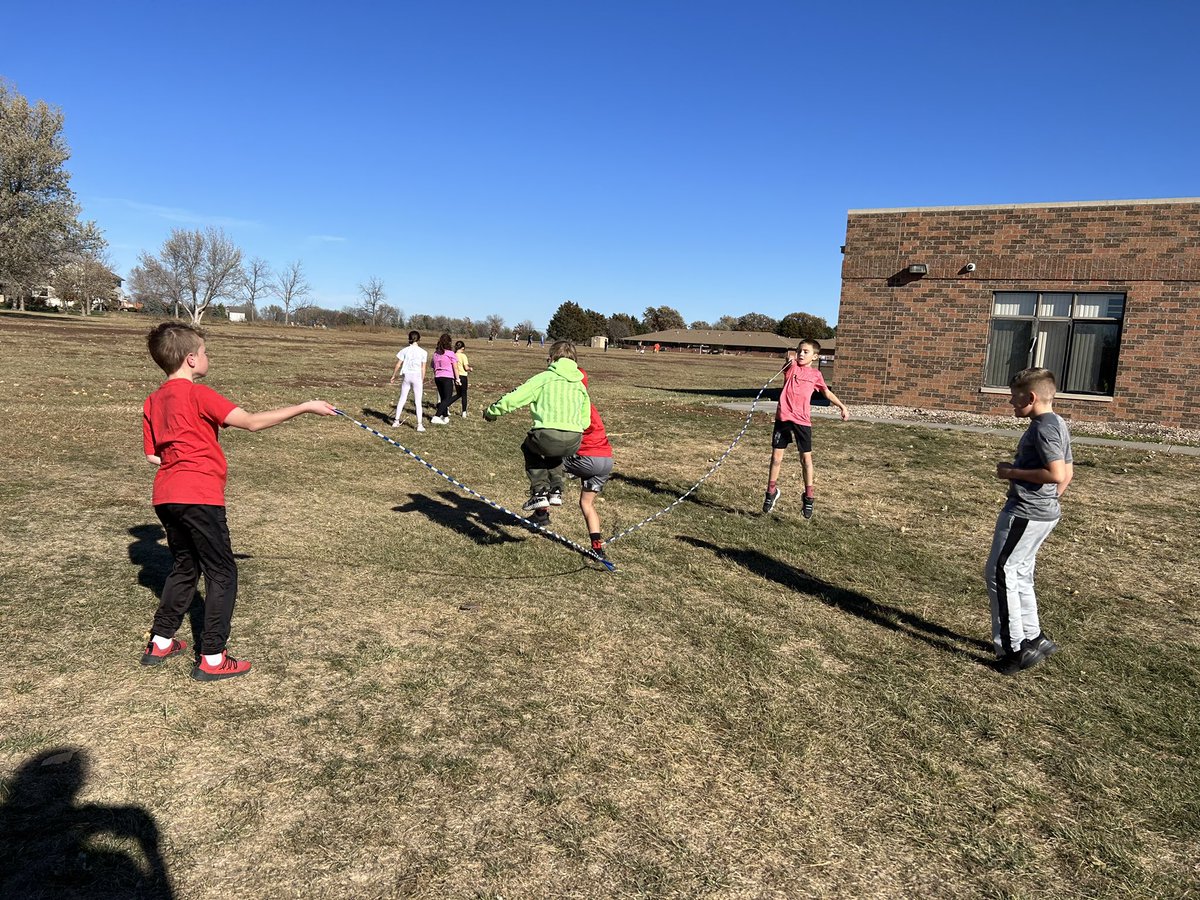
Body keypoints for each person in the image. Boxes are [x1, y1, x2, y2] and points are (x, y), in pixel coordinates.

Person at [139, 322, 335, 681]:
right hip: (199, 496)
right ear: (192, 359)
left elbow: (153, 456)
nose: (207, 357)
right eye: (205, 351)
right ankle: (212, 656)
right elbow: (252, 422)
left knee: (185, 566)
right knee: (221, 572)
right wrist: (305, 407)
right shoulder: (198, 394)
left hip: (166, 496)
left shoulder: (153, 401)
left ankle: (161, 641)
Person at [985, 366, 1074, 675]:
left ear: (1031, 396)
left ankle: (1014, 650)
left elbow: (1056, 473)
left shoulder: (1042, 428)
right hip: (1042, 513)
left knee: (1000, 572)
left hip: (1025, 513)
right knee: (1020, 572)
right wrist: (1049, 500)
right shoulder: (1058, 422)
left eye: (1014, 397)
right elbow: (1068, 473)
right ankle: (1035, 637)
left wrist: (1011, 473)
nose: (1010, 403)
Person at [483, 340, 589, 514]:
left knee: (530, 447)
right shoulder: (579, 385)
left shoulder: (543, 379)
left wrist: (492, 411)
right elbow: (586, 418)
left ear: (552, 358)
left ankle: (539, 491)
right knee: (555, 453)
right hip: (574, 439)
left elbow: (514, 398)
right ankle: (556, 490)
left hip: (545, 435)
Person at [762, 338, 849, 518]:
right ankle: (771, 492)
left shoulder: (816, 375)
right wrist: (790, 359)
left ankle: (809, 496)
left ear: (815, 356)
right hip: (783, 419)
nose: (801, 354)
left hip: (802, 422)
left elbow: (826, 392)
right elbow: (787, 360)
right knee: (776, 458)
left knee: (806, 460)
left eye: (806, 352)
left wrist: (842, 406)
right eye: (799, 350)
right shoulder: (791, 368)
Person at [564, 369, 614, 560]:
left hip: (588, 459)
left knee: (549, 461)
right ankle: (597, 547)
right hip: (606, 461)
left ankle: (542, 509)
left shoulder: (575, 405)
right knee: (586, 503)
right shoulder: (590, 405)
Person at [389, 330, 428, 431]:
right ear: (419, 339)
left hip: (406, 376)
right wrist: (422, 379)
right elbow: (423, 368)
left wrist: (393, 375)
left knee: (402, 399)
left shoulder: (404, 350)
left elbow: (398, 364)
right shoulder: (423, 352)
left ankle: (396, 421)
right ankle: (419, 425)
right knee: (418, 401)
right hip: (417, 377)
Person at [429, 333, 460, 425]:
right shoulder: (451, 353)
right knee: (447, 398)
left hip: (438, 377)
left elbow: (432, 365)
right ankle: (436, 416)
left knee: (443, 398)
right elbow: (455, 367)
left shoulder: (436, 353)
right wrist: (457, 379)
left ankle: (445, 416)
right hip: (447, 377)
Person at [451, 340, 473, 417]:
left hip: (455, 376)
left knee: (458, 393)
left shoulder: (453, 355)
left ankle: (446, 404)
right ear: (462, 348)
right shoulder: (463, 356)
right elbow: (466, 367)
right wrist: (470, 369)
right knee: (464, 394)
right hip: (463, 376)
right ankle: (464, 412)